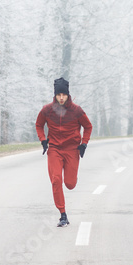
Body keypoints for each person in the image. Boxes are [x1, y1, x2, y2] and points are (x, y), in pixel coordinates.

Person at [36, 77, 92, 227]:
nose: (61, 98)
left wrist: (84, 144)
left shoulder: (77, 111)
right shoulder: (47, 110)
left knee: (70, 184)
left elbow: (88, 127)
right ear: (54, 95)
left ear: (68, 95)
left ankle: (71, 179)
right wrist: (43, 140)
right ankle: (63, 215)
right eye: (58, 95)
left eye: (64, 95)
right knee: (56, 180)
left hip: (72, 149)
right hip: (54, 148)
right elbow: (39, 125)